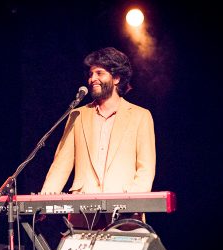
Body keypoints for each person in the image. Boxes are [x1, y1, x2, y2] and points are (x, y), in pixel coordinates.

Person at [40, 47, 156, 230]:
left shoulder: (141, 116)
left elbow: (146, 168)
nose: (92, 78)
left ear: (116, 78)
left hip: (124, 211)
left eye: (99, 73)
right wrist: (44, 199)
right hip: (83, 211)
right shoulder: (77, 115)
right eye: (91, 73)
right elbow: (61, 163)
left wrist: (133, 201)